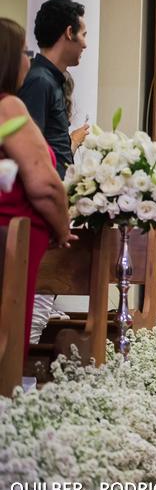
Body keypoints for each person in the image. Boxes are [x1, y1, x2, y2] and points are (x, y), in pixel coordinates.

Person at [0, 18, 74, 360]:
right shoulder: (8, 107)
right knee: (8, 335)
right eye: (24, 52)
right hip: (12, 240)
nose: (29, 60)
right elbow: (44, 184)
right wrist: (63, 227)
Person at [18, 0, 87, 343]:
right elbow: (31, 151)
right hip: (37, 208)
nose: (86, 43)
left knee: (42, 299)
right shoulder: (39, 81)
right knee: (33, 302)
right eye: (83, 33)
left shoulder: (53, 79)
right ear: (68, 32)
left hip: (54, 200)